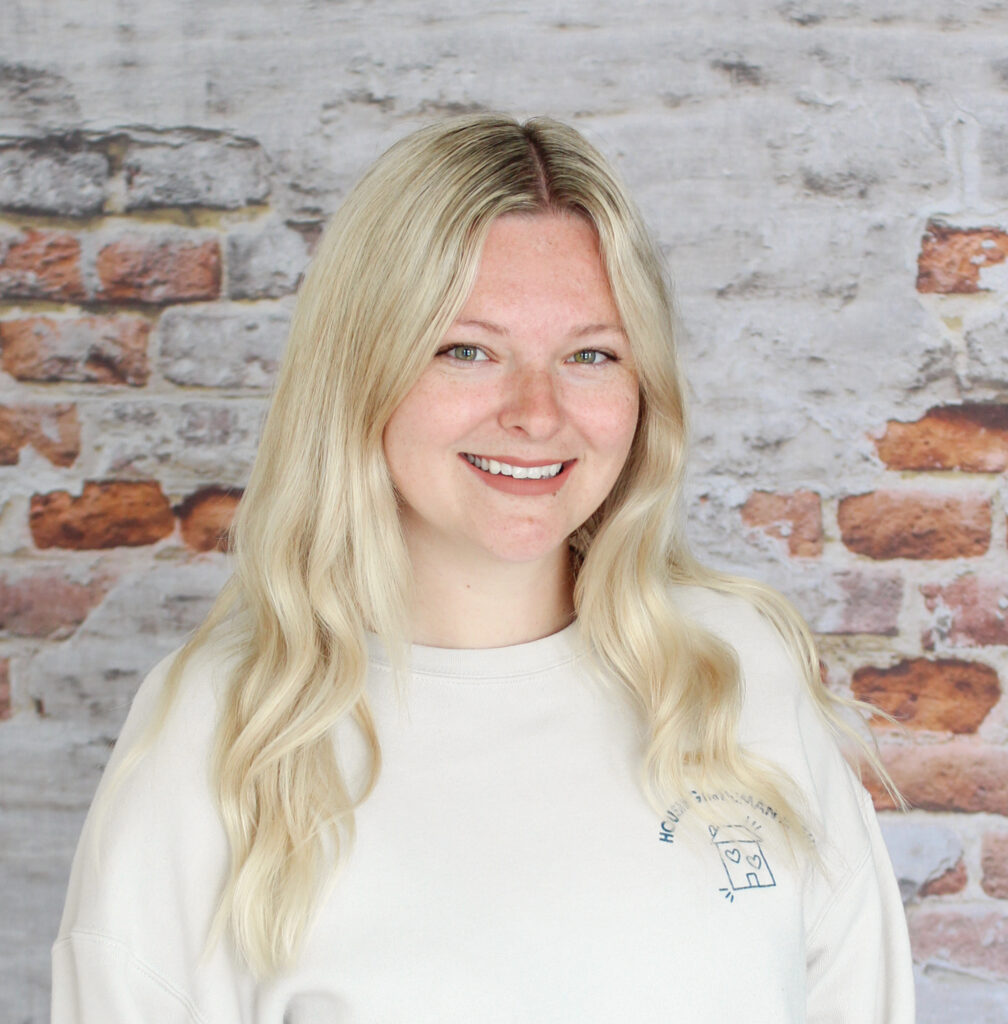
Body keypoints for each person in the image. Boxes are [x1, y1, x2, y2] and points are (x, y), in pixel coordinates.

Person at [53, 114, 915, 1022]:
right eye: (468, 350)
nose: (537, 413)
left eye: (590, 354)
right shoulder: (225, 731)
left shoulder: (738, 672)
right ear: (362, 368)